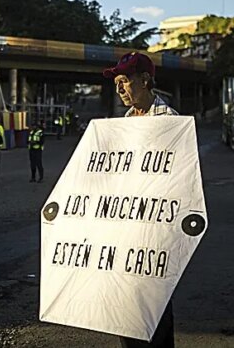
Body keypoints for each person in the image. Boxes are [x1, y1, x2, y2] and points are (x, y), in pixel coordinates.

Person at [103, 51, 177, 348]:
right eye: (117, 82)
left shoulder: (171, 121)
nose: (119, 88)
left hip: (155, 232)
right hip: (126, 229)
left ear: (145, 80)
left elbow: (177, 179)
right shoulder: (126, 121)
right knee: (127, 307)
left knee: (155, 308)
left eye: (125, 81)